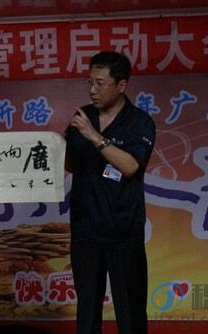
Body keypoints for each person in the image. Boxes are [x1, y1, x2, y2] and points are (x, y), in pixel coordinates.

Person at [64, 51, 156, 334]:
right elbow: (70, 164)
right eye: (90, 82)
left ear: (121, 85)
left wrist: (94, 136)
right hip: (85, 231)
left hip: (122, 232)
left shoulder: (139, 122)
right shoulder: (83, 117)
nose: (93, 90)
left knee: (130, 313)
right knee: (87, 311)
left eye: (100, 83)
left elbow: (130, 166)